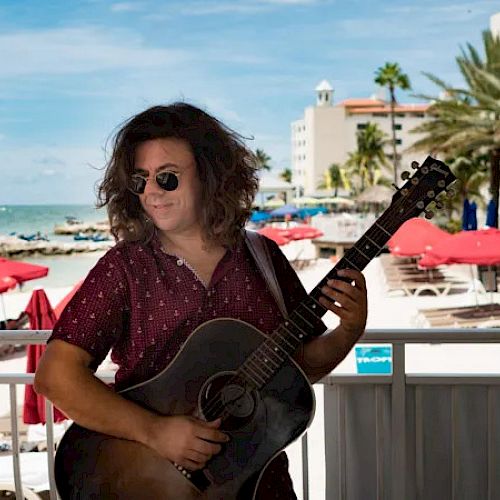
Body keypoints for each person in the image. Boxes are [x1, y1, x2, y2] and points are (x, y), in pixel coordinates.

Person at [34, 102, 367, 499]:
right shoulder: (124, 268)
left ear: (210, 176)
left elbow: (296, 369)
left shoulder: (263, 259)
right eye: (140, 181)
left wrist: (349, 330)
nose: (152, 193)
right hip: (149, 482)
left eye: (168, 178)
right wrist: (155, 431)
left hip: (259, 485)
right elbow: (55, 376)